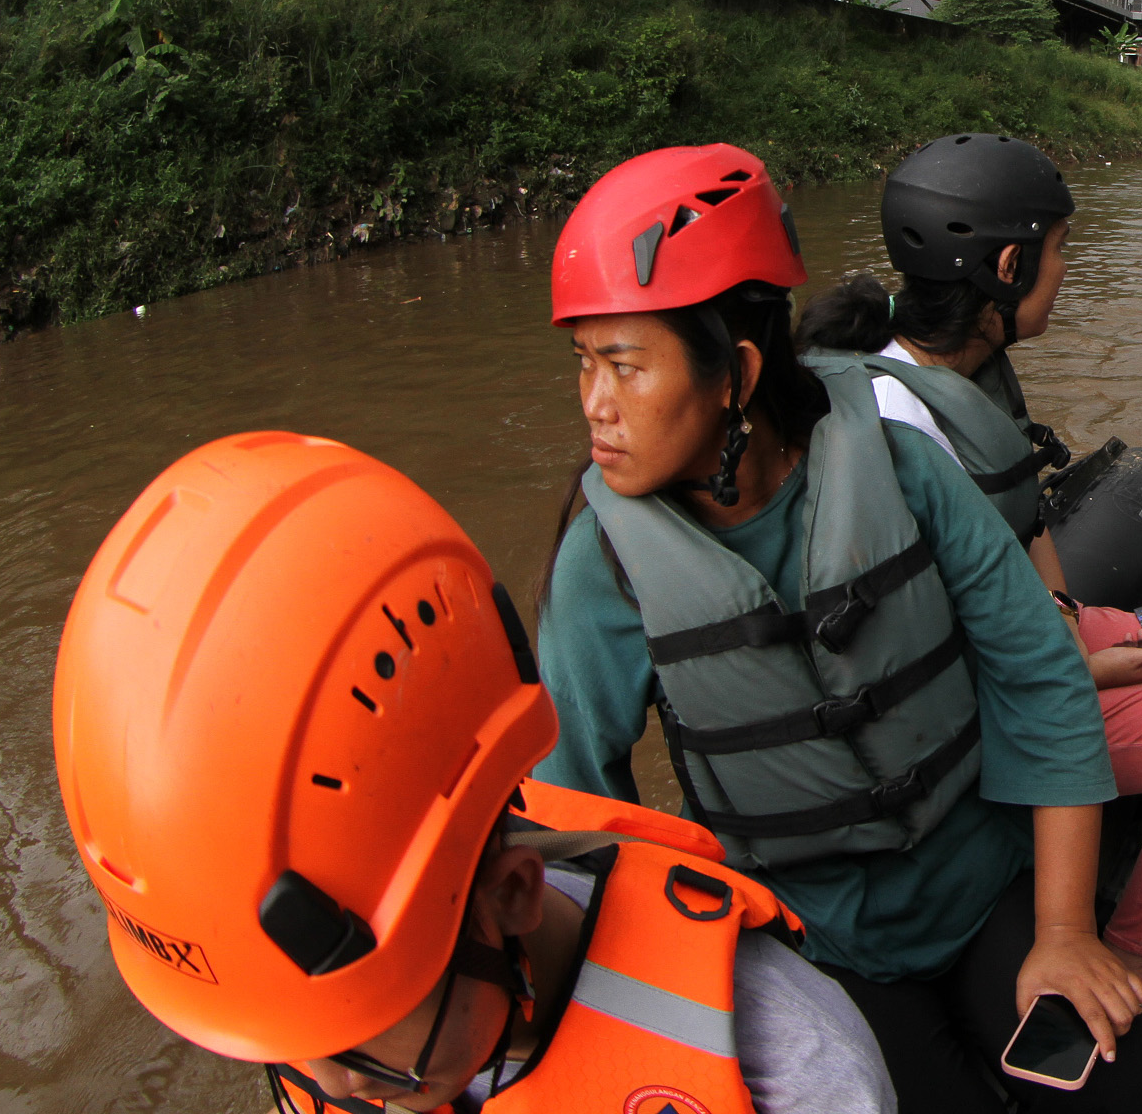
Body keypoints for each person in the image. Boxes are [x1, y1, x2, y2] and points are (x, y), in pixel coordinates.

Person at [529, 144, 1142, 1112]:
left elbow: (1041, 677)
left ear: (735, 373)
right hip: (812, 936)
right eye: (584, 363)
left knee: (1126, 1093)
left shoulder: (903, 468)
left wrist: (1065, 931)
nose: (594, 405)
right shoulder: (605, 563)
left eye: (624, 366)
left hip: (983, 880)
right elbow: (576, 805)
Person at [49, 432, 894, 1114]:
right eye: (279, 1042)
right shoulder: (325, 1054)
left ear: (515, 894)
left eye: (359, 1029)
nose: (329, 1084)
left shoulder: (794, 1067)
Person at [797, 132, 1142, 1055]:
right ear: (1007, 264)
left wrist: (1076, 628)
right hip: (992, 703)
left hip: (1050, 636)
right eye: (1060, 250)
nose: (1064, 271)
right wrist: (1094, 666)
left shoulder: (974, 369)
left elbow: (1031, 533)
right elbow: (963, 662)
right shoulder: (903, 438)